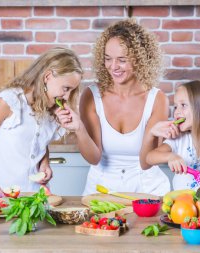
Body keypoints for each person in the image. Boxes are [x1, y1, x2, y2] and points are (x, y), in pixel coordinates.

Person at [56, 19, 171, 196]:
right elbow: (93, 158)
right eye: (108, 59)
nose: (113, 66)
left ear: (140, 59)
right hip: (100, 191)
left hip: (147, 191)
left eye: (122, 60)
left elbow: (148, 161)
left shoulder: (157, 99)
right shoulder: (92, 95)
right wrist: (79, 129)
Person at [0, 47, 83, 194]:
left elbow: (37, 142)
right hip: (2, 196)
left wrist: (44, 163)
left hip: (36, 196)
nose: (67, 96)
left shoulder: (51, 110)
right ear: (47, 77)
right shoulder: (9, 102)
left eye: (71, 90)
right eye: (66, 88)